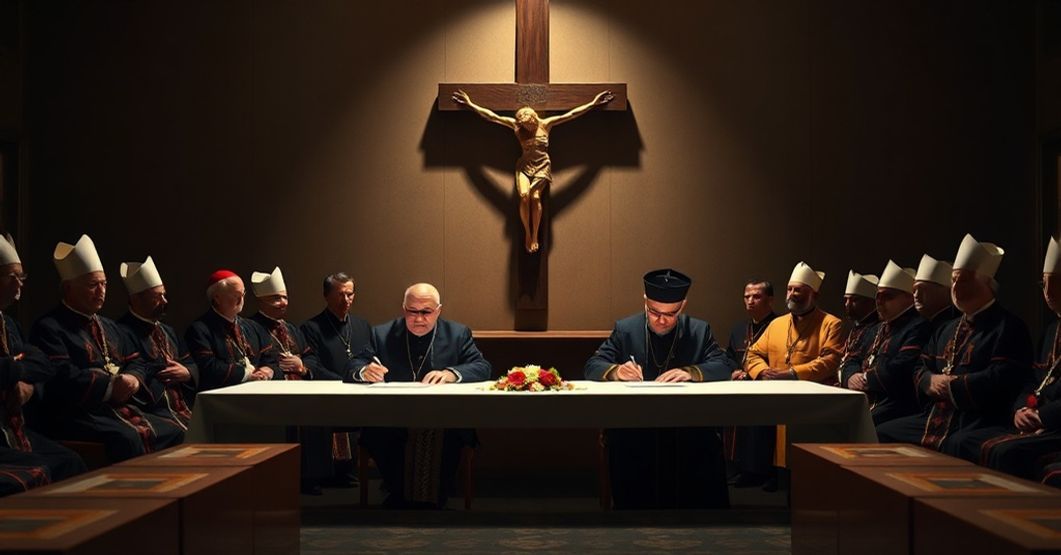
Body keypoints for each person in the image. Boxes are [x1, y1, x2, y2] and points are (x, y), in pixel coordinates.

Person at [585, 269, 732, 509]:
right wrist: (617, 371)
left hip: (686, 425)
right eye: (654, 312)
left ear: (682, 306)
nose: (661, 320)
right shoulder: (626, 329)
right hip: (637, 425)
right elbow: (592, 365)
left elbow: (724, 365)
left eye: (671, 314)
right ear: (645, 301)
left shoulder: (698, 330)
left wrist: (691, 372)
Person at [30, 235, 184, 462]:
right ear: (68, 288)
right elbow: (61, 376)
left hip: (115, 409)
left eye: (104, 284)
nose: (101, 291)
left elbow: (136, 361)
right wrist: (110, 386)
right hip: (79, 412)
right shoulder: (50, 327)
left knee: (174, 431)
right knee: (128, 439)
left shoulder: (109, 326)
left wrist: (133, 378)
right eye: (93, 285)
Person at [877, 234, 1033, 456]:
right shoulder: (946, 328)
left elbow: (1004, 376)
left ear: (987, 283)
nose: (956, 286)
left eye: (964, 280)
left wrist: (954, 385)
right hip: (936, 417)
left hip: (976, 418)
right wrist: (930, 381)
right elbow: (919, 365)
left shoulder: (1008, 326)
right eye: (953, 280)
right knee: (884, 432)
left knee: (958, 444)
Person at [344, 283, 490, 508]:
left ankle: (433, 500)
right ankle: (400, 495)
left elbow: (482, 367)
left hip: (444, 415)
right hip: (393, 415)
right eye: (412, 311)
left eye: (426, 312)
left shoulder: (457, 334)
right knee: (380, 433)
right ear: (404, 309)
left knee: (448, 435)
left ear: (439, 311)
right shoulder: (382, 334)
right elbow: (353, 364)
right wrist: (365, 371)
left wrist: (451, 374)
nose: (419, 319)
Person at [451, 89, 614, 253]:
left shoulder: (546, 124)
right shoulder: (516, 126)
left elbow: (571, 115)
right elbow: (492, 116)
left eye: (529, 125)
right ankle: (527, 234)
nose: (527, 128)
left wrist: (593, 104)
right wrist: (470, 104)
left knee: (535, 196)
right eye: (524, 126)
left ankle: (535, 235)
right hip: (524, 165)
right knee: (524, 196)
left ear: (534, 118)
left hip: (542, 165)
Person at [956, 236, 1061, 478]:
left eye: (1054, 283)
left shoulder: (1008, 326)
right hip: (1036, 418)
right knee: (964, 442)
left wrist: (1042, 416)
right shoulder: (1051, 331)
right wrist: (1021, 408)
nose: (1047, 292)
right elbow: (1031, 379)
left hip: (1054, 424)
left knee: (1004, 453)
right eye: (1043, 284)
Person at [736, 262, 844, 488]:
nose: (792, 294)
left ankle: (790, 479)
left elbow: (830, 361)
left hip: (808, 395)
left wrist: (792, 374)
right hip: (774, 391)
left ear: (814, 295)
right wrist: (761, 371)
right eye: (789, 289)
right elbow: (752, 353)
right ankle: (760, 471)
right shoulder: (777, 323)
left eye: (799, 290)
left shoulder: (831, 324)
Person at [0, 234, 85, 495]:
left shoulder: (9, 324)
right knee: (39, 471)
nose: (20, 283)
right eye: (12, 277)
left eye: (22, 277)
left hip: (15, 425)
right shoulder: (49, 325)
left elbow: (44, 363)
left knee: (72, 462)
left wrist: (27, 386)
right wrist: (14, 369)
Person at [248, 266, 332, 495]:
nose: (283, 302)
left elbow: (311, 357)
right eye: (276, 298)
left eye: (285, 297)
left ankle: (313, 477)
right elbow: (257, 363)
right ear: (261, 300)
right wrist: (281, 369)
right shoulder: (251, 327)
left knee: (319, 411)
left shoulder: (292, 328)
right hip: (274, 395)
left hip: (301, 388)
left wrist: (301, 366)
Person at [300, 272, 372, 488]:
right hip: (326, 392)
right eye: (340, 294)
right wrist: (344, 381)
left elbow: (369, 357)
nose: (346, 299)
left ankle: (347, 471)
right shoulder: (311, 327)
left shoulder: (362, 325)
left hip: (360, 392)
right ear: (326, 295)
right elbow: (313, 364)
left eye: (350, 294)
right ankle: (323, 475)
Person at [841, 261, 931, 425]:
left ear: (909, 298)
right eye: (878, 296)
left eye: (888, 296)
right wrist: (851, 376)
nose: (879, 301)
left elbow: (903, 367)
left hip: (893, 401)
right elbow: (852, 359)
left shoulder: (918, 327)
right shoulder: (876, 328)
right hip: (863, 396)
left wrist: (866, 379)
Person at [116, 256, 197, 429]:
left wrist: (187, 372)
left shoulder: (168, 331)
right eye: (157, 297)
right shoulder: (121, 331)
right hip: (153, 409)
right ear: (137, 299)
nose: (164, 301)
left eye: (164, 295)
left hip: (183, 405)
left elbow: (191, 362)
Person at [185, 270, 279, 391]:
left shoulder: (253, 326)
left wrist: (268, 370)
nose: (241, 299)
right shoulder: (199, 329)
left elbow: (271, 357)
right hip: (223, 396)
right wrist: (247, 375)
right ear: (217, 298)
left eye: (243, 294)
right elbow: (208, 367)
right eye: (236, 295)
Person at [837, 271, 881, 387]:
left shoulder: (877, 329)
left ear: (871, 302)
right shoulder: (857, 326)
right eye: (846, 300)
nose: (847, 304)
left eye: (854, 300)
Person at [726, 279, 777, 371]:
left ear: (770, 300)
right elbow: (729, 358)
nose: (750, 301)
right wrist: (734, 372)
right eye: (747, 297)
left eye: (756, 297)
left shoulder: (780, 326)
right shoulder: (738, 330)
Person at [913, 254, 960, 334]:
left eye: (923, 290)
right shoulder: (921, 326)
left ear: (948, 291)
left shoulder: (954, 328)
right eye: (914, 290)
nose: (916, 295)